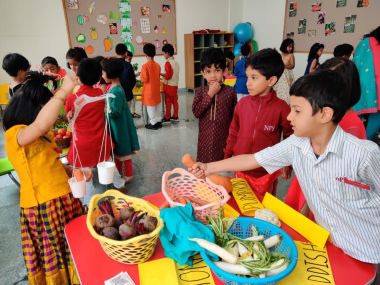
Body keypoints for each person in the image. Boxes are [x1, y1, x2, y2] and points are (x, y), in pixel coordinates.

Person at [190, 70, 380, 271]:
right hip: (328, 242)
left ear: (325, 114)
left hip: (368, 249)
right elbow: (253, 159)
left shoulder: (364, 154)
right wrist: (208, 166)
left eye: (297, 111)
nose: (289, 116)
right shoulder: (296, 144)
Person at [3, 71, 87, 284]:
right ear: (31, 110)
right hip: (45, 206)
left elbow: (50, 164)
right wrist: (63, 93)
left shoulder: (41, 136)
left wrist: (74, 172)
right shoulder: (15, 135)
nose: (48, 113)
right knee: (56, 252)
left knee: (71, 245)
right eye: (44, 107)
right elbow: (40, 124)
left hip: (64, 198)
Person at [285, 57, 367, 215]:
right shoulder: (322, 115)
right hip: (306, 183)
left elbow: (334, 179)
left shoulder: (349, 126)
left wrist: (307, 208)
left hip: (320, 200)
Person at [224, 48, 293, 199]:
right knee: (241, 202)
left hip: (266, 171)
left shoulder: (282, 108)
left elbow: (290, 138)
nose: (248, 83)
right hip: (240, 167)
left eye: (254, 78)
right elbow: (234, 131)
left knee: (262, 209)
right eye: (247, 77)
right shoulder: (242, 104)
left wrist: (288, 163)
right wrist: (228, 155)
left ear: (271, 80)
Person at [65, 58, 112, 203]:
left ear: (78, 76)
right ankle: (115, 187)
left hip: (82, 143)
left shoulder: (73, 98)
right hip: (100, 139)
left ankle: (88, 203)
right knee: (107, 165)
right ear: (98, 77)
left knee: (85, 174)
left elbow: (69, 118)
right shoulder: (100, 93)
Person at [192, 48, 237, 163]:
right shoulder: (200, 91)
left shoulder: (230, 92)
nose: (213, 75)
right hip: (204, 142)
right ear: (203, 73)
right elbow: (196, 112)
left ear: (224, 71)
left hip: (223, 140)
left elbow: (234, 119)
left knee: (221, 171)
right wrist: (210, 94)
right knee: (203, 171)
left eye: (217, 70)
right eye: (208, 71)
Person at [101, 58, 140, 184]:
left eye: (103, 73)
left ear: (110, 73)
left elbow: (115, 111)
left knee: (124, 152)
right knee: (118, 152)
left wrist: (105, 109)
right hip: (117, 126)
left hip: (119, 127)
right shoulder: (114, 87)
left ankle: (128, 175)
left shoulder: (116, 90)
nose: (102, 75)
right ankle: (119, 173)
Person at [353, 26, 380, 141]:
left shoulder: (365, 43)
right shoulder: (371, 43)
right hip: (371, 85)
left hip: (364, 84)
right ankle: (363, 143)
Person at [140, 43, 162, 130]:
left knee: (150, 107)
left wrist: (141, 76)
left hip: (149, 91)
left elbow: (144, 80)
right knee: (156, 106)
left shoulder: (145, 66)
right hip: (156, 89)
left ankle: (153, 123)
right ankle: (158, 121)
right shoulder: (158, 65)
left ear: (145, 54)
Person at [115, 43, 140, 118]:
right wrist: (128, 89)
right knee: (127, 113)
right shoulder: (128, 65)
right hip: (127, 93)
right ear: (126, 53)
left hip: (115, 94)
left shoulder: (112, 64)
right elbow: (133, 80)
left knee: (119, 114)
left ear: (116, 52)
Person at [161, 43, 180, 124]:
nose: (163, 55)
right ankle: (175, 116)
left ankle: (167, 117)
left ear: (167, 53)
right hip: (175, 85)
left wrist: (161, 74)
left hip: (169, 85)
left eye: (164, 53)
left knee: (168, 101)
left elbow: (168, 76)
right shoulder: (176, 63)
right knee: (175, 101)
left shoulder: (168, 63)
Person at [273, 38, 295, 104]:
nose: (290, 48)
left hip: (287, 75)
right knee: (278, 89)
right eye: (289, 46)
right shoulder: (280, 55)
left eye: (292, 47)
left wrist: (284, 66)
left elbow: (292, 66)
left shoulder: (291, 55)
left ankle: (286, 103)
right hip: (280, 74)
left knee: (287, 89)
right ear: (284, 46)